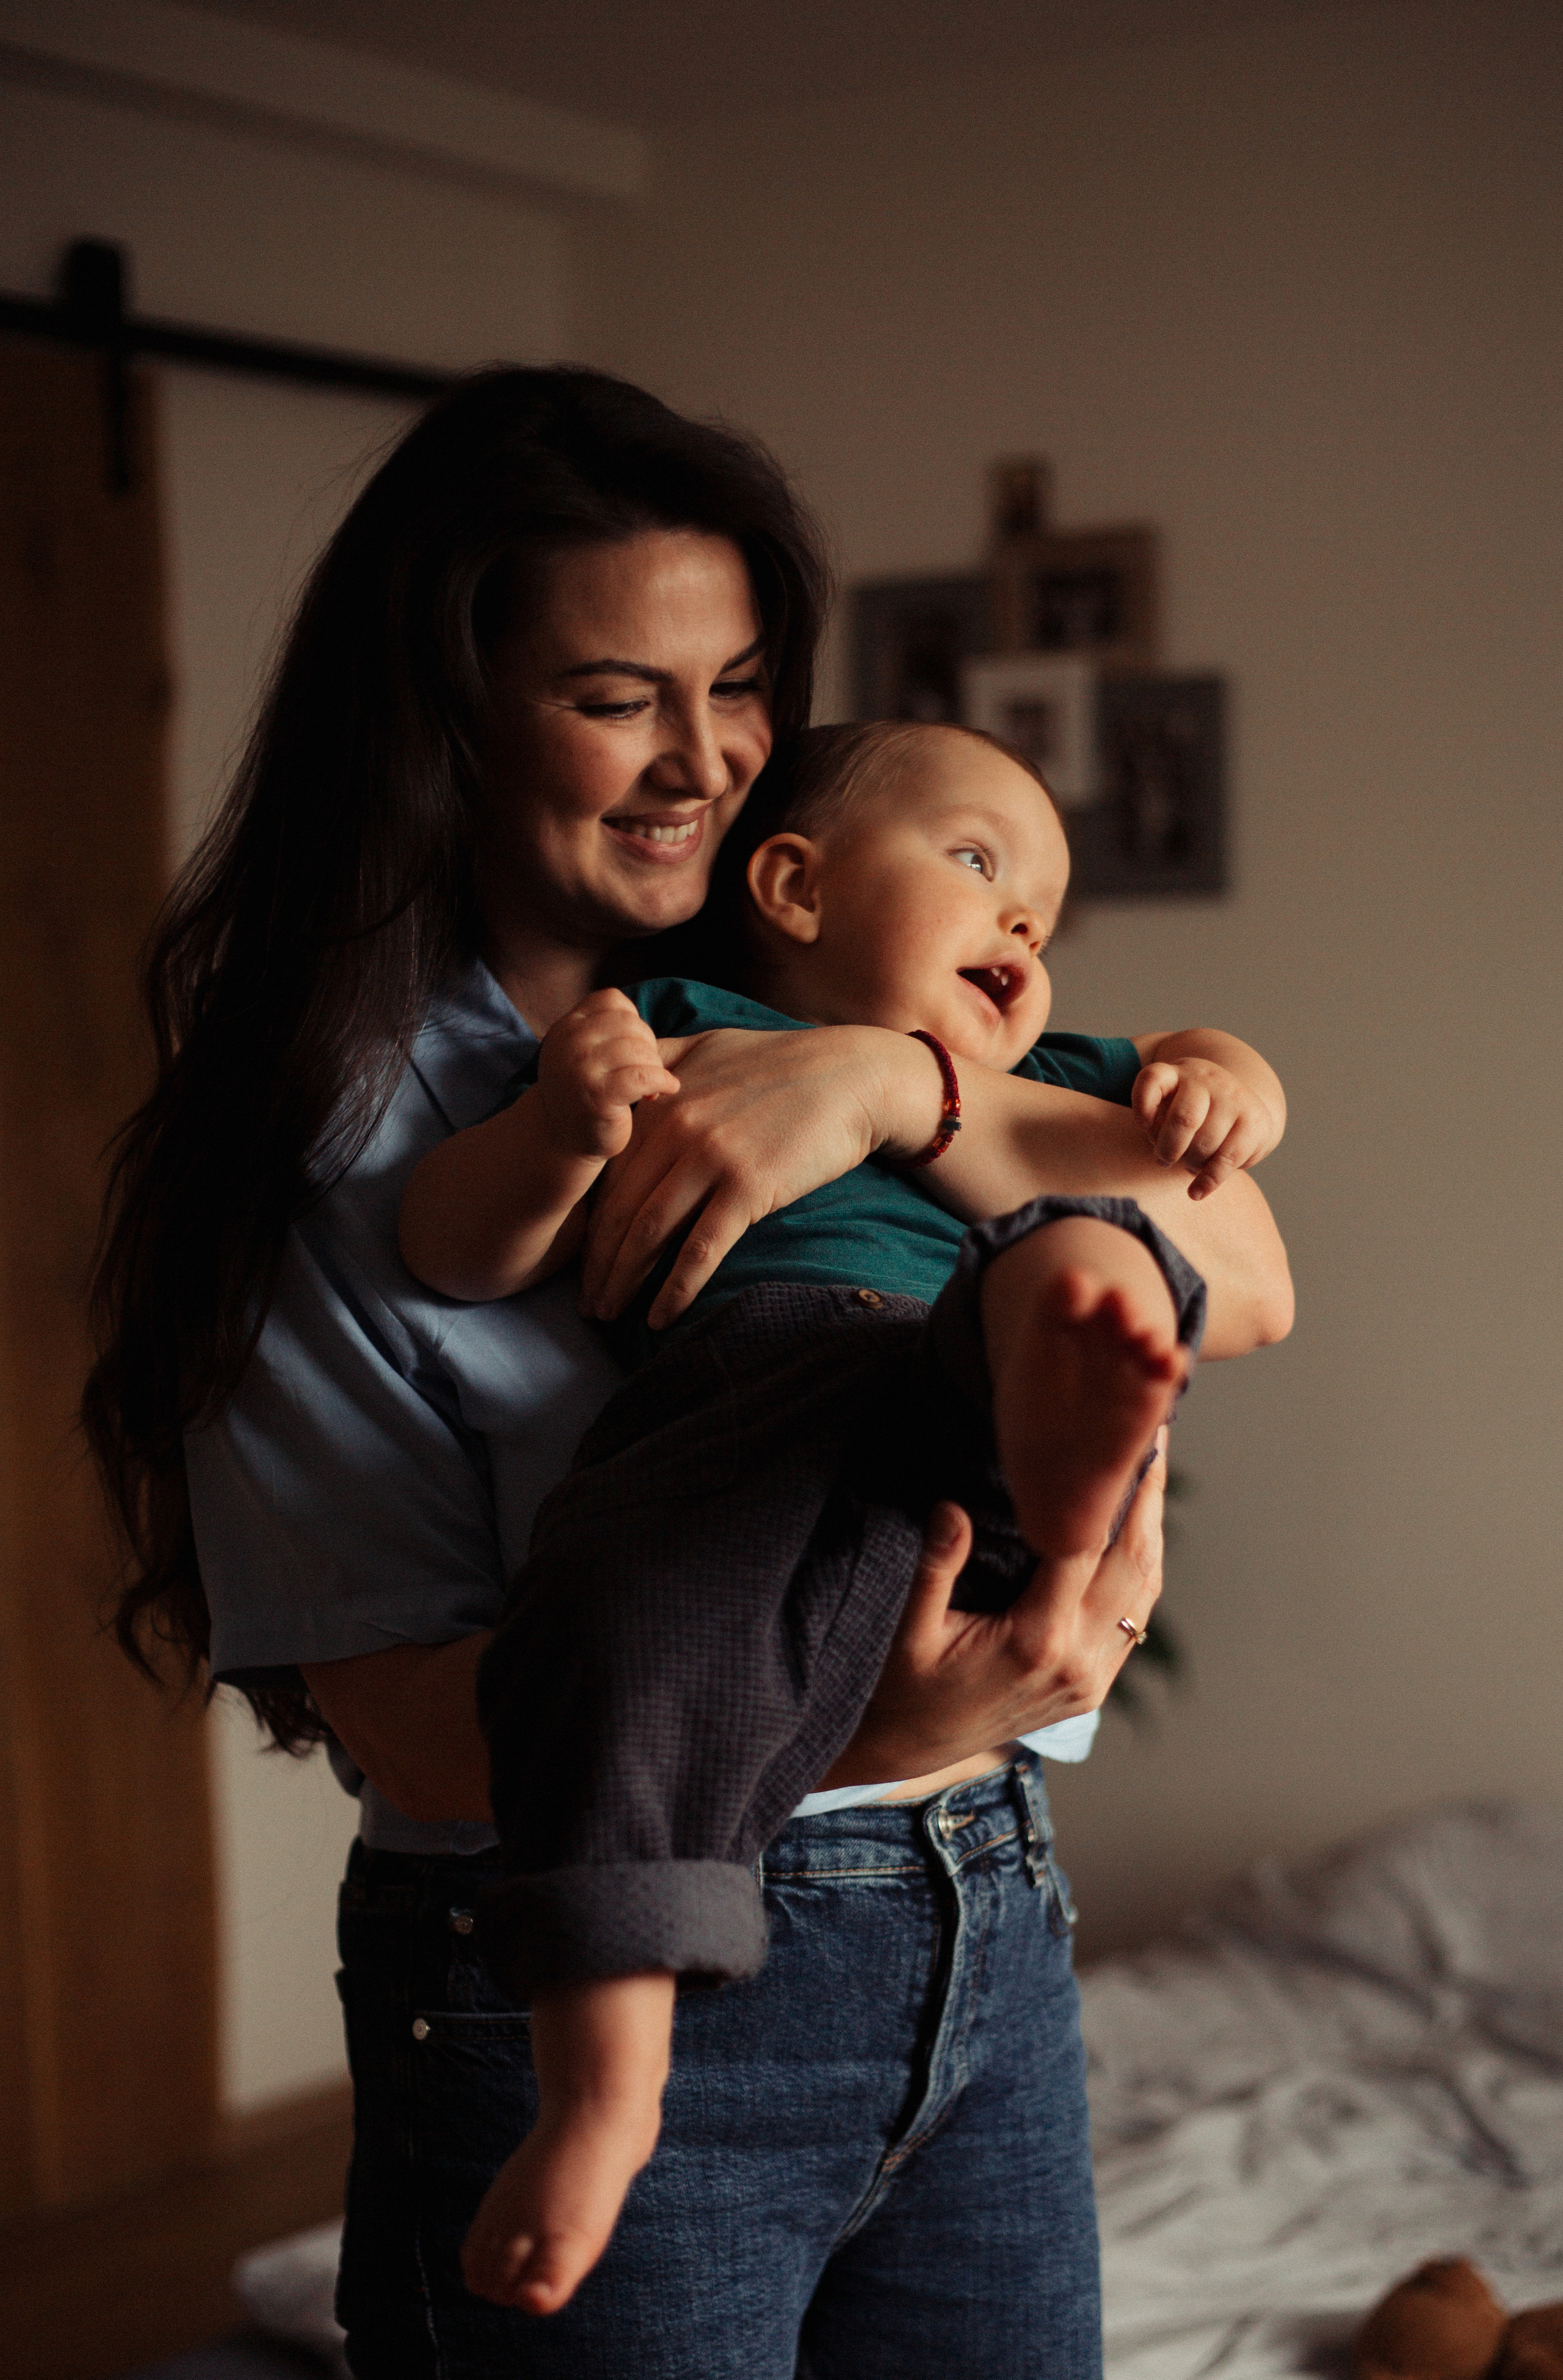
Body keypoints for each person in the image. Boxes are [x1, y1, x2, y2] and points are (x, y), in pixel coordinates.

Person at [84, 366, 1293, 2380]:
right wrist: (894, 1709)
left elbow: (1240, 1267)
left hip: (981, 1922)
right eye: (612, 695)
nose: (706, 762)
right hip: (581, 1961)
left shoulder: (882, 1010)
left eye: (737, 686)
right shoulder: (339, 1128)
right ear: (448, 715)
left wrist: (888, 1079)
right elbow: (405, 1715)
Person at [397, 716, 1286, 2315]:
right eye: (977, 866)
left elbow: (1248, 1246)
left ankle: (1068, 1407)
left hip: (959, 1370)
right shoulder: (675, 1028)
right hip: (747, 1406)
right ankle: (608, 2089)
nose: (1024, 927)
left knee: (1071, 1263)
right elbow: (451, 1244)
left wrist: (1229, 1076)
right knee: (612, 1632)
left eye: (1045, 914)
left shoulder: (1052, 1083)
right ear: (795, 885)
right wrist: (554, 1129)